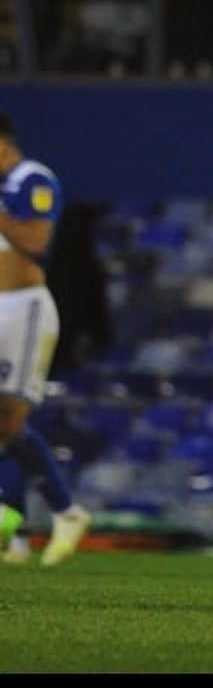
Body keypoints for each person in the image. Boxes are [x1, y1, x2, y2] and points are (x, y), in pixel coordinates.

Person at [0, 111, 92, 565]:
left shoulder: (30, 179)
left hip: (25, 308)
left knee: (10, 421)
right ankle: (16, 529)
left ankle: (58, 513)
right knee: (5, 426)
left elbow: (35, 242)